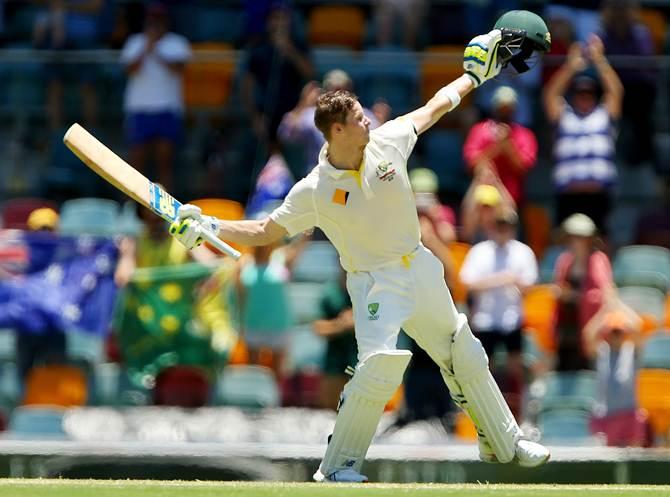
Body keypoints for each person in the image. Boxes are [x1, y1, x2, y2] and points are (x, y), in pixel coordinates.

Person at [169, 24, 550, 483]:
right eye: (358, 119)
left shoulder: (387, 141)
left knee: (464, 352)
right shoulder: (315, 189)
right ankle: (337, 468)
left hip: (420, 266)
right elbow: (264, 229)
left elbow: (434, 107)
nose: (368, 120)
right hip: (374, 282)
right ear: (336, 130)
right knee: (378, 369)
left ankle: (505, 442)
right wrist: (208, 226)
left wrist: (474, 77)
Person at [459, 209, 538, 417]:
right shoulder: (479, 251)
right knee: (484, 369)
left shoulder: (523, 252)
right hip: (485, 320)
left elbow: (529, 285)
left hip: (512, 319)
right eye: (499, 225)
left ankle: (521, 414)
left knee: (516, 368)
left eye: (507, 226)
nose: (503, 230)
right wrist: (502, 279)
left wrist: (511, 281)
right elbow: (467, 282)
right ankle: (485, 414)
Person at [543, 35, 624, 233]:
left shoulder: (604, 115)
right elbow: (550, 94)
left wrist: (599, 61)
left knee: (602, 242)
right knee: (563, 242)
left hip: (599, 195)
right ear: (574, 96)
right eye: (580, 93)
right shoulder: (564, 115)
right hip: (568, 196)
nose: (585, 97)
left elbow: (616, 92)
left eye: (589, 94)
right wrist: (570, 66)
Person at [120, 2, 191, 193]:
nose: (154, 23)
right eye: (151, 19)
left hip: (167, 108)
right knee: (136, 162)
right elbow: (129, 69)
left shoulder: (177, 43)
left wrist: (156, 50)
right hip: (139, 109)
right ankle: (132, 208)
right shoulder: (135, 42)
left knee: (164, 162)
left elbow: (180, 68)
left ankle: (166, 209)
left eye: (158, 19)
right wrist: (146, 48)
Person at [278, 69, 389, 177]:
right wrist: (303, 104)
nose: (338, 94)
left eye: (343, 89)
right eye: (334, 89)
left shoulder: (362, 114)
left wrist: (381, 122)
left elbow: (380, 139)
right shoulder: (313, 114)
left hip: (353, 175)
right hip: (319, 176)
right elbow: (286, 134)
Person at [553, 213, 616, 371]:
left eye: (580, 237)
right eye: (572, 237)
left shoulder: (598, 259)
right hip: (567, 329)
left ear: (589, 239)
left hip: (591, 327)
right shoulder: (564, 260)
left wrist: (578, 297)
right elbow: (559, 287)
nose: (575, 241)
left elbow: (604, 295)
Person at [582, 300, 650, 447]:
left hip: (629, 414)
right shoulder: (602, 351)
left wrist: (618, 305)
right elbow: (588, 334)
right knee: (607, 461)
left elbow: (639, 327)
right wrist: (604, 312)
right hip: (606, 415)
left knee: (634, 459)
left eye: (619, 332)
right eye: (613, 332)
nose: (615, 336)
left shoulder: (631, 350)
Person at [463, 85, 538, 208]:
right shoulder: (479, 130)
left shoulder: (525, 134)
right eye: (502, 107)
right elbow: (471, 165)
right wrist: (497, 147)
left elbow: (524, 169)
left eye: (508, 108)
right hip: (482, 202)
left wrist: (508, 146)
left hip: (512, 201)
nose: (505, 111)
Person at [312, 269, 358, 410]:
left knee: (357, 410)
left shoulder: (367, 291)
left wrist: (357, 321)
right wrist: (341, 325)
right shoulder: (330, 293)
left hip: (360, 361)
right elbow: (318, 328)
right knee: (332, 409)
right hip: (334, 362)